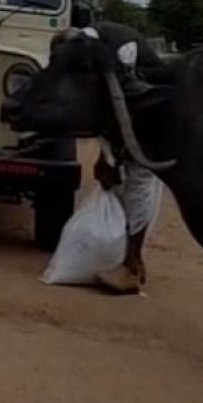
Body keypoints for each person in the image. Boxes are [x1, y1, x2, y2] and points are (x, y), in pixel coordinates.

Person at [51, 21, 166, 294]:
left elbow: (120, 108)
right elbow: (102, 113)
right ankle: (122, 258)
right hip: (130, 121)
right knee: (120, 188)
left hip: (149, 123)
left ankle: (132, 265)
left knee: (139, 186)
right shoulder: (96, 50)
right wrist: (107, 157)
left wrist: (111, 157)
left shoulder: (113, 51)